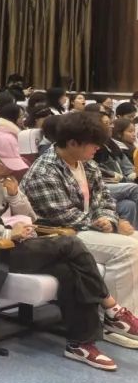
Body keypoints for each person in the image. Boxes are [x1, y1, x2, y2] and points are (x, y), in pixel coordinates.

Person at [0, 131, 138, 368]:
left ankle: (80, 343)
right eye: (4, 163)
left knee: (70, 271)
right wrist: (6, 233)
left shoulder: (2, 180)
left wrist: (14, 195)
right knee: (71, 243)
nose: (9, 170)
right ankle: (111, 307)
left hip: (19, 243)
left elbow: (30, 216)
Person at [22, 111, 138, 313]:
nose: (98, 148)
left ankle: (130, 310)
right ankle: (118, 318)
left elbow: (105, 198)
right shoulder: (44, 171)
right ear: (73, 143)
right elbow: (62, 216)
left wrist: (108, 219)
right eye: (93, 144)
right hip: (57, 236)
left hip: (84, 228)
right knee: (127, 249)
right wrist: (109, 225)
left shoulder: (88, 164)